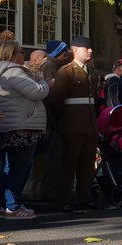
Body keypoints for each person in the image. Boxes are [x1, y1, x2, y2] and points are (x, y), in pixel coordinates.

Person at [0, 39, 49, 219]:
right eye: (21, 52)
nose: (24, 55)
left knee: (9, 167)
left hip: (9, 124)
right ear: (12, 55)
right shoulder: (14, 71)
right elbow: (37, 91)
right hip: (22, 125)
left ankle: (8, 204)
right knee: (18, 168)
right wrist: (43, 81)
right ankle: (12, 207)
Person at [47, 36, 100, 212]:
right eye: (86, 49)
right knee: (69, 163)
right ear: (76, 50)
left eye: (90, 48)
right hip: (71, 124)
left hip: (89, 124)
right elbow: (56, 99)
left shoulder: (91, 72)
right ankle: (65, 198)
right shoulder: (66, 71)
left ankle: (85, 197)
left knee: (87, 163)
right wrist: (62, 121)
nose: (90, 51)